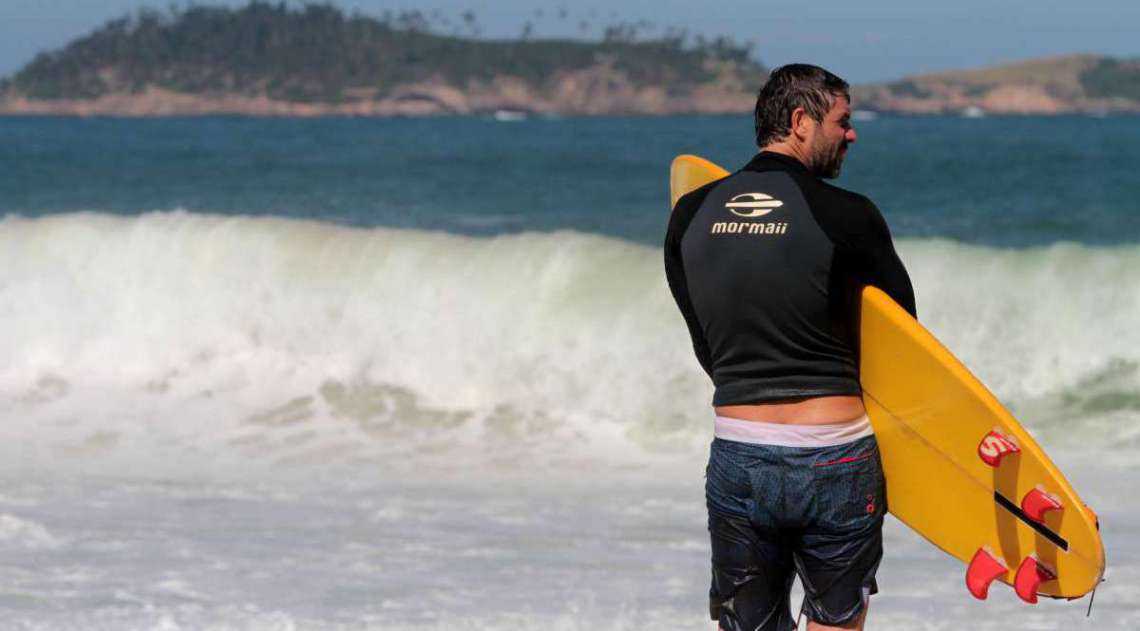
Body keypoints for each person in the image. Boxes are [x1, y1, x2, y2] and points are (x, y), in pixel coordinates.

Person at [663, 64, 917, 631]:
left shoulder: (690, 215)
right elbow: (901, 344)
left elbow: (705, 339)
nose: (851, 135)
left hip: (739, 453)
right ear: (800, 122)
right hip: (837, 457)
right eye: (842, 121)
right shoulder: (849, 216)